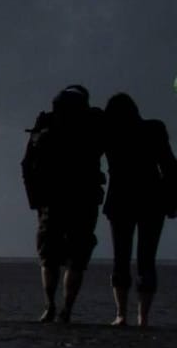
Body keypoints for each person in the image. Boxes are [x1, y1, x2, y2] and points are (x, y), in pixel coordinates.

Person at [20, 84, 106, 322]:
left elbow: (27, 164)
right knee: (76, 259)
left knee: (49, 257)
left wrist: (34, 199)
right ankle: (67, 308)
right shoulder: (94, 124)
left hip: (50, 200)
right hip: (83, 199)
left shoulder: (47, 125)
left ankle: (50, 305)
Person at [100, 92, 177, 327]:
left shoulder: (109, 134)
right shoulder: (154, 129)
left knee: (120, 257)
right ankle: (143, 317)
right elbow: (169, 165)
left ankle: (121, 313)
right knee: (147, 259)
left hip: (121, 198)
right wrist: (172, 200)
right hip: (151, 199)